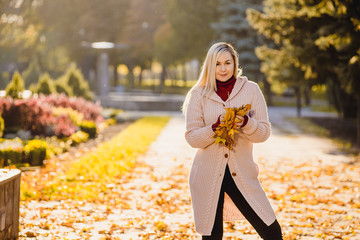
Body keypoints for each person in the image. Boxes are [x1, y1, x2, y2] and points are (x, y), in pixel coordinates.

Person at [182, 42, 283, 239]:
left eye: (227, 62)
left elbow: (263, 133)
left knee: (272, 232)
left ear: (235, 63)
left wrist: (246, 122)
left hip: (242, 174)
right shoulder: (199, 94)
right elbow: (192, 138)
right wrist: (215, 128)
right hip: (206, 175)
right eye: (218, 64)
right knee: (212, 236)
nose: (223, 69)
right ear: (210, 66)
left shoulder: (251, 90)